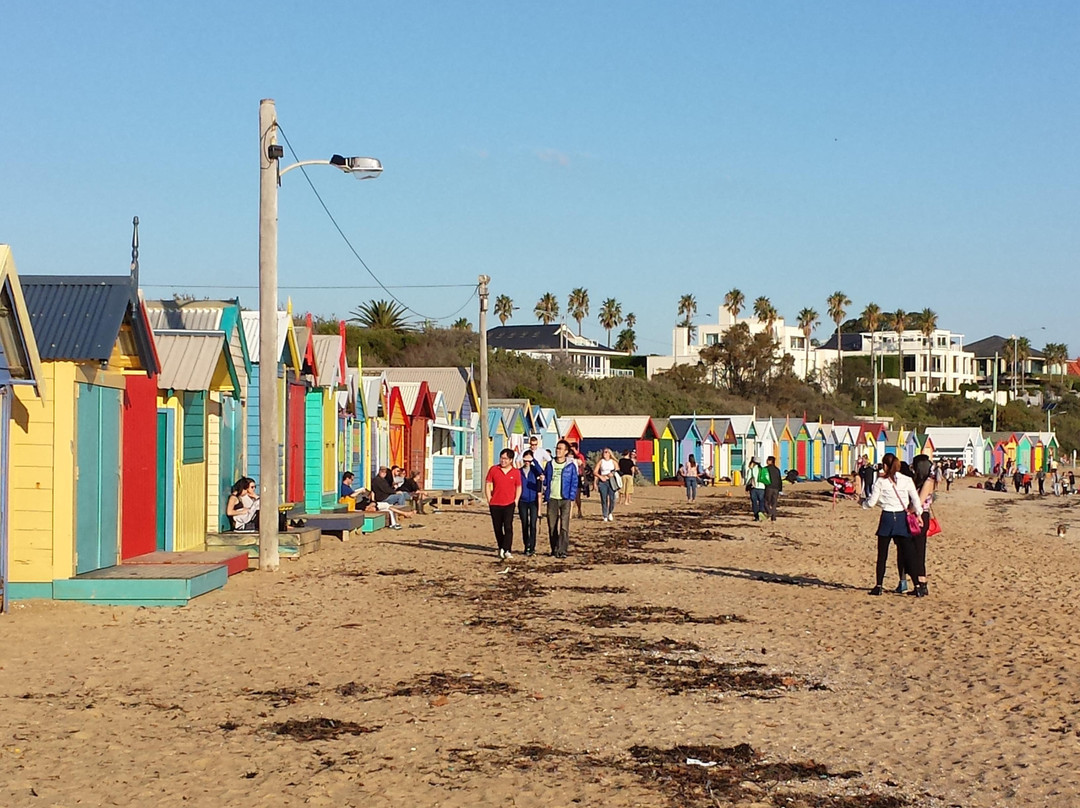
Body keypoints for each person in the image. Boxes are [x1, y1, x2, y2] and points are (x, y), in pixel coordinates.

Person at [866, 453, 922, 596]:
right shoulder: (907, 480)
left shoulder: (880, 481)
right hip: (902, 517)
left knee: (882, 554)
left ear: (885, 465)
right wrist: (918, 514)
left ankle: (878, 585)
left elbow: (871, 503)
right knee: (908, 553)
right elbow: (916, 500)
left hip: (887, 517)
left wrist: (862, 502)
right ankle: (917, 586)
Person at [544, 439, 580, 558]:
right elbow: (546, 480)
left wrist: (571, 498)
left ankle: (563, 550)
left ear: (566, 452)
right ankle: (554, 549)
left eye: (560, 449)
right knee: (552, 525)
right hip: (552, 498)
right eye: (557, 448)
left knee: (564, 525)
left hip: (565, 499)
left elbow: (574, 482)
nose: (558, 451)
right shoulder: (549, 464)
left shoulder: (570, 466)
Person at [485, 448, 522, 559]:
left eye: (505, 459)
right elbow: (487, 484)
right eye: (501, 458)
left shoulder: (515, 472)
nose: (503, 461)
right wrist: (489, 499)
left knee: (508, 527)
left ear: (511, 460)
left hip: (509, 503)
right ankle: (501, 547)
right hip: (495, 503)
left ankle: (507, 549)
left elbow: (519, 486)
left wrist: (516, 500)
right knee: (497, 528)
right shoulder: (494, 469)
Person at [908, 454, 935, 597]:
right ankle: (919, 582)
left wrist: (909, 510)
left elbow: (919, 501)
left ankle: (922, 582)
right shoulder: (919, 481)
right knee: (915, 549)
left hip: (921, 515)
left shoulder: (928, 482)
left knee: (919, 549)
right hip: (918, 514)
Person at [518, 449, 545, 556]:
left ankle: (532, 547)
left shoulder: (535, 471)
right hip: (522, 501)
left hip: (533, 500)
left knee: (533, 524)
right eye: (526, 460)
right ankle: (526, 546)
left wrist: (534, 460)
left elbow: (541, 472)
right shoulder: (519, 472)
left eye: (529, 460)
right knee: (525, 524)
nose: (527, 462)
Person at [594, 447, 619, 521]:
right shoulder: (601, 461)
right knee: (604, 499)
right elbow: (595, 471)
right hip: (603, 482)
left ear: (609, 454)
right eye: (604, 452)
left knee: (612, 498)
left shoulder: (613, 462)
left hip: (611, 481)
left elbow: (618, 470)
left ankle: (610, 512)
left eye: (606, 452)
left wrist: (612, 473)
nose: (604, 453)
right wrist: (600, 477)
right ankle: (605, 515)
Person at [763, 456, 782, 521]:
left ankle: (769, 512)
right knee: (774, 503)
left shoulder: (766, 469)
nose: (766, 461)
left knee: (766, 502)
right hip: (776, 488)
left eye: (768, 460)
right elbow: (779, 479)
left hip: (769, 487)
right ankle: (773, 517)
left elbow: (764, 478)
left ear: (770, 461)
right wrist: (780, 488)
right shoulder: (777, 470)